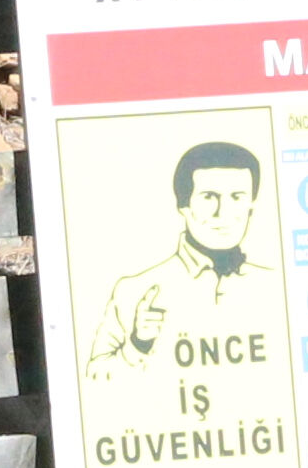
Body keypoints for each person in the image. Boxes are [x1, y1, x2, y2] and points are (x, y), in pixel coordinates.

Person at [81, 137, 274, 376]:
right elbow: (94, 380)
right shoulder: (135, 290)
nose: (223, 212)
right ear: (183, 205)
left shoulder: (276, 285)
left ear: (251, 206)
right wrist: (138, 345)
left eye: (237, 197)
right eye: (209, 197)